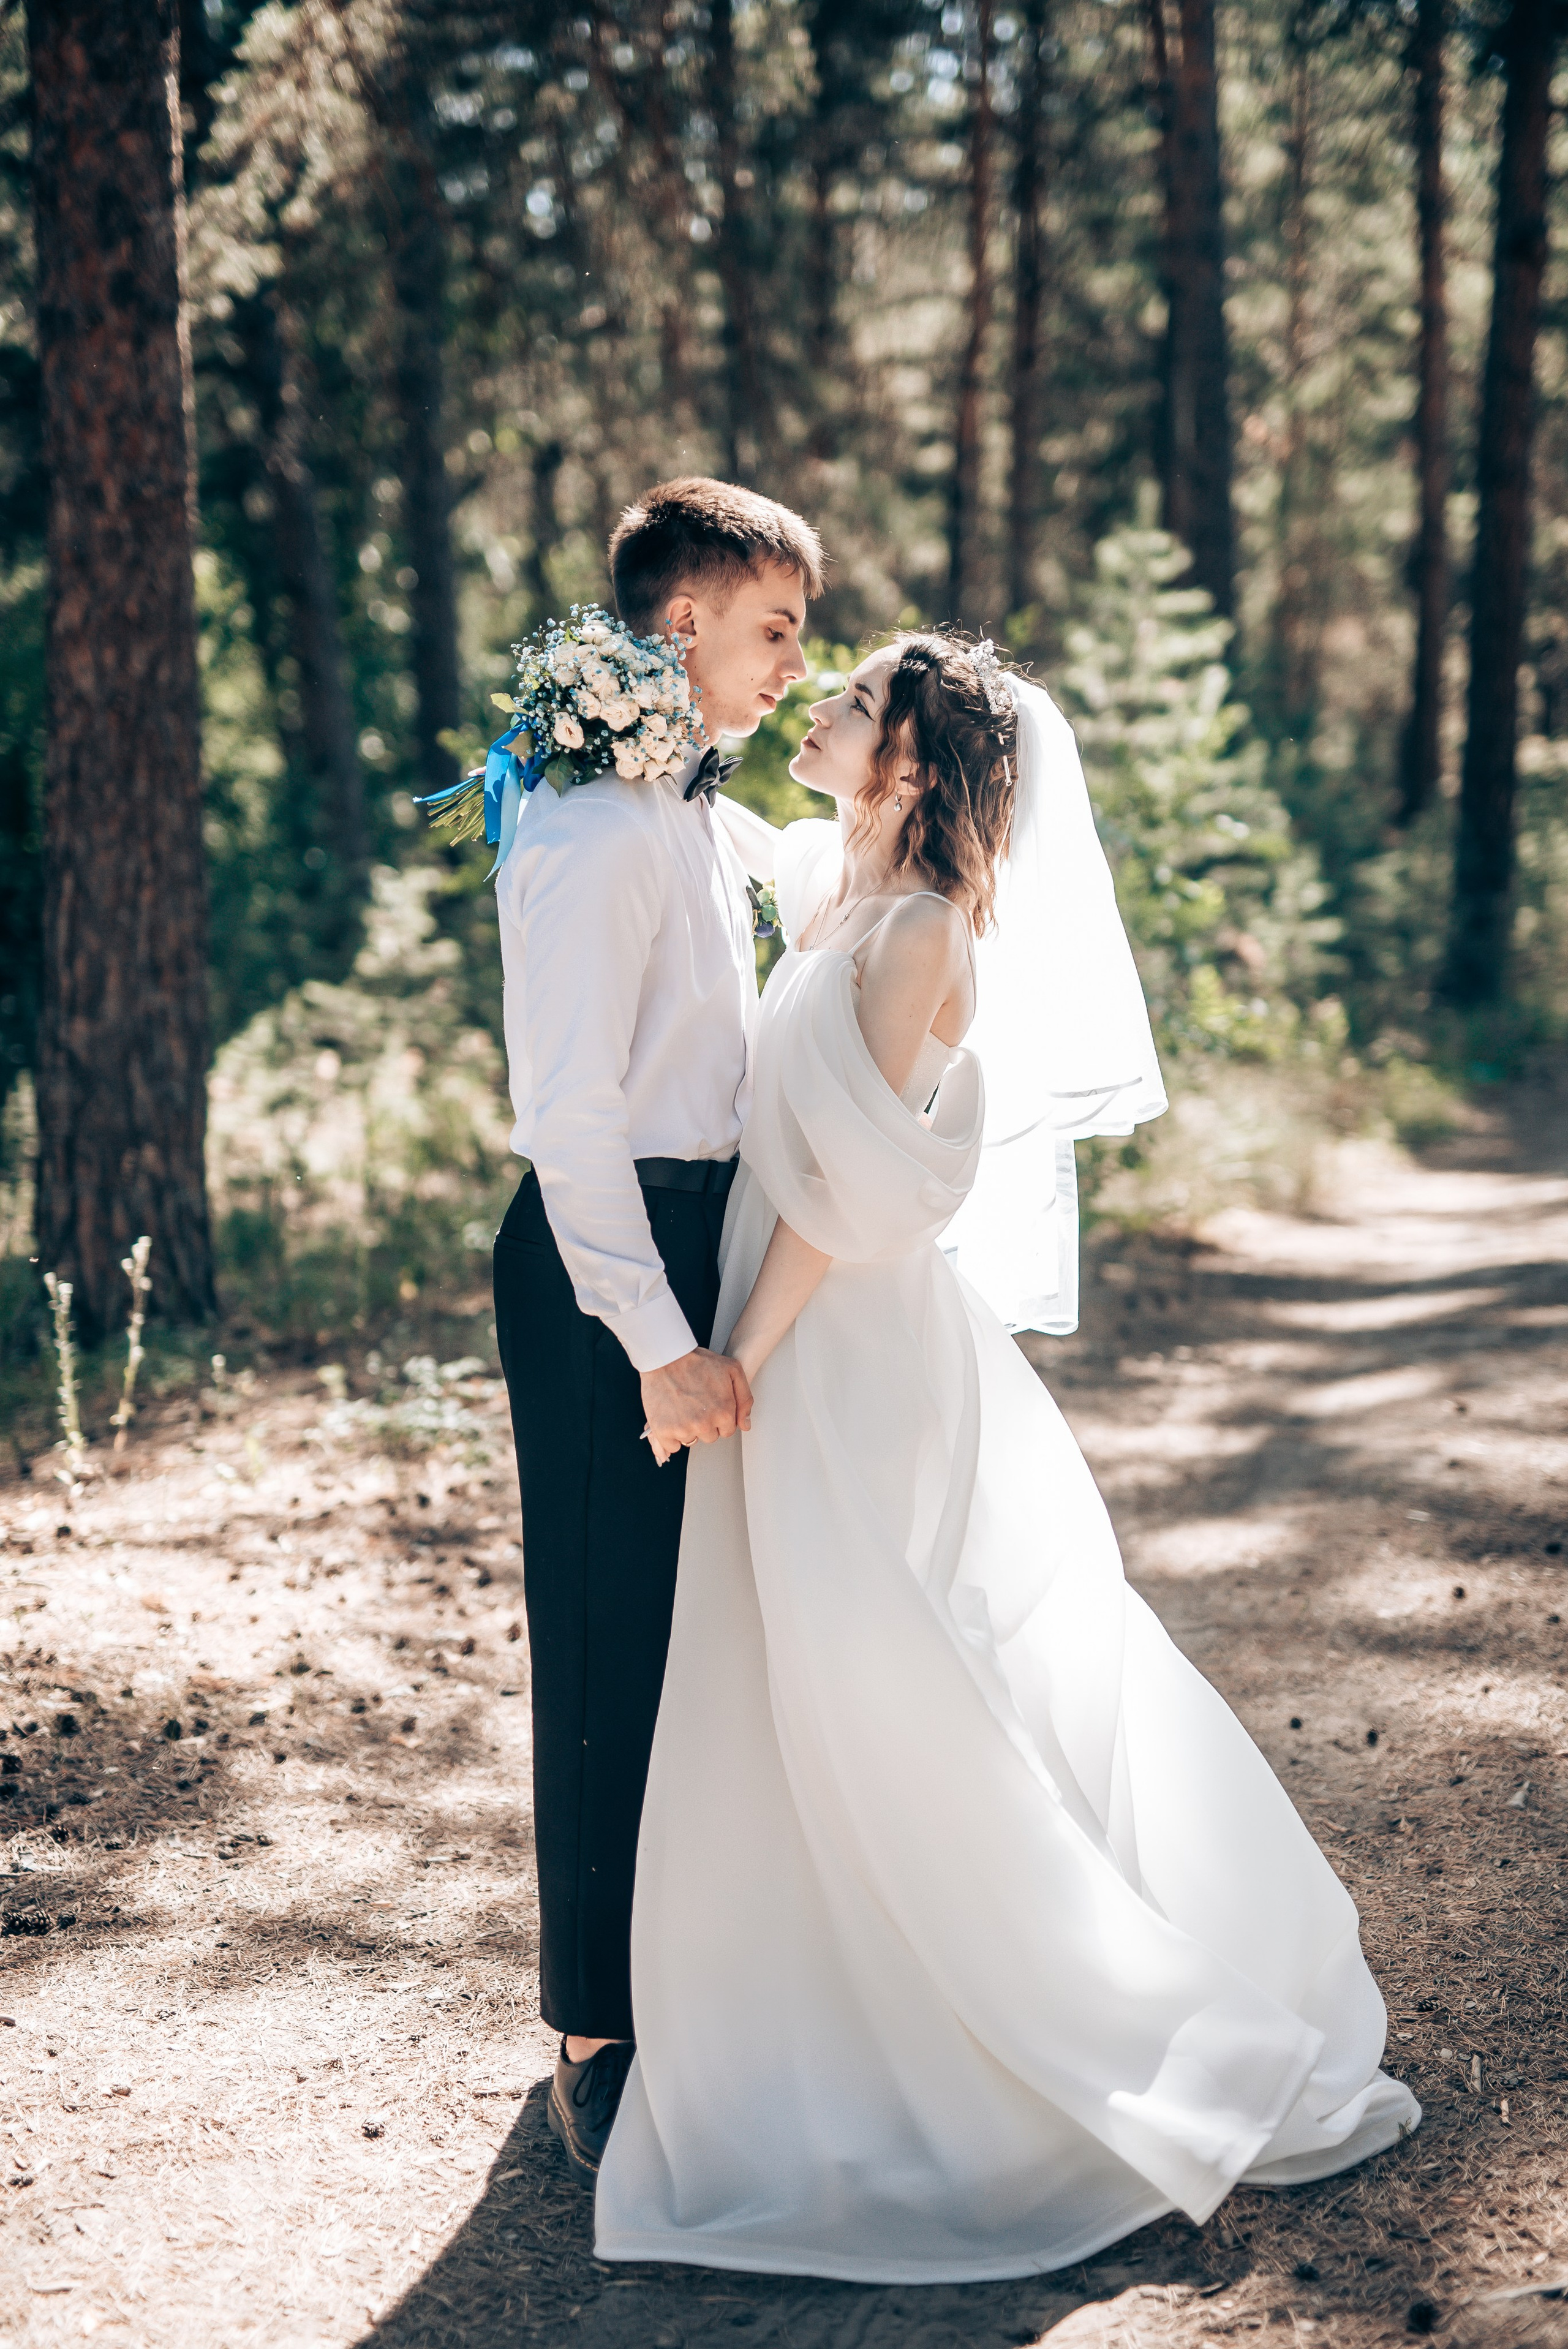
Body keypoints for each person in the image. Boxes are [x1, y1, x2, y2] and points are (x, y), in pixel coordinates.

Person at [594, 632, 1421, 2282]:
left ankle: (1048, 2022)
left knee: (879, 1668)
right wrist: (624, 744)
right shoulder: (837, 885)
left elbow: (851, 1195)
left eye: (850, 703)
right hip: (780, 1313)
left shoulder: (919, 934)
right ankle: (819, 2004)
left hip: (838, 1341)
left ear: (908, 759)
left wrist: (737, 1360)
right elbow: (714, 846)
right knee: (796, 1669)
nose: (816, 705)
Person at [491, 477, 825, 2187]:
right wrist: (650, 1334)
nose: (794, 662)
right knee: (608, 1633)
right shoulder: (588, 827)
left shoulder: (703, 818)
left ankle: (686, 1978)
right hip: (600, 1262)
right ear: (681, 621)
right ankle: (593, 2033)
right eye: (776, 627)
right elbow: (566, 1115)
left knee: (700, 1638)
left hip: (702, 1237)